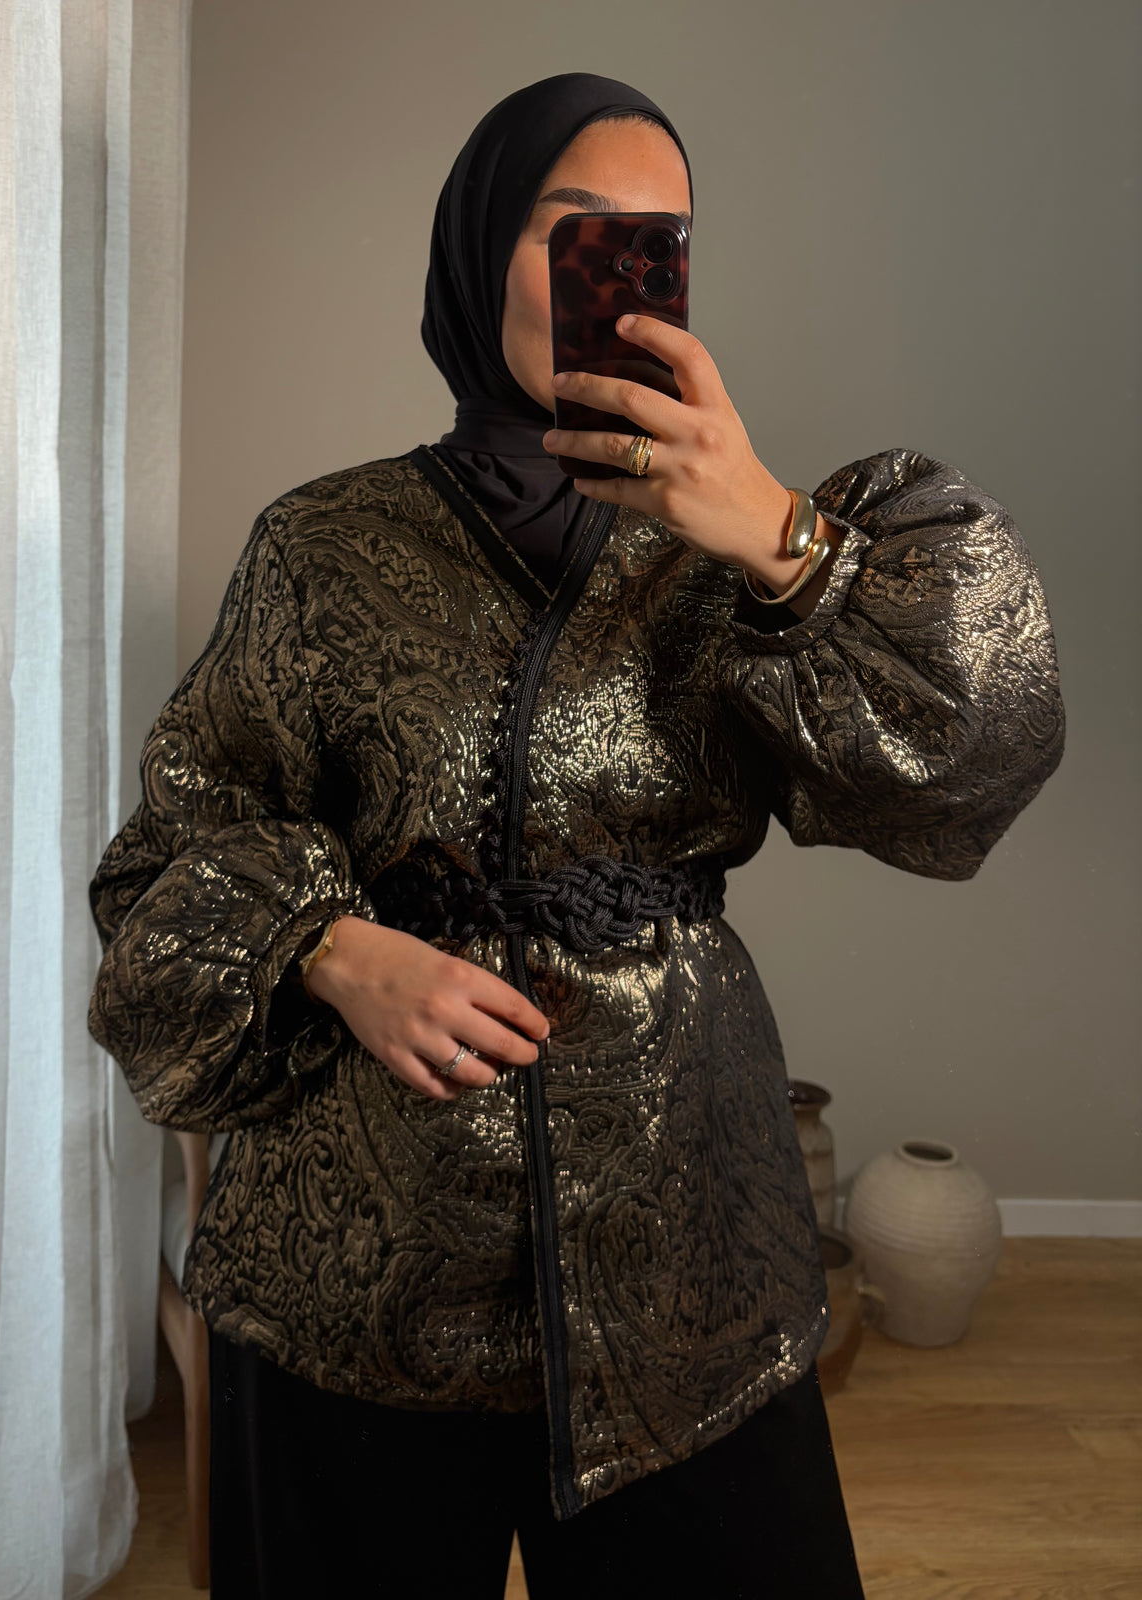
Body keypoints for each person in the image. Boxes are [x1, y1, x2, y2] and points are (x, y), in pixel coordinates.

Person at [87, 72, 1066, 1598]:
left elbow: (979, 756)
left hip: (681, 1223)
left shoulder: (751, 540)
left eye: (662, 241)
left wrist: (780, 539)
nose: (624, 270)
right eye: (578, 230)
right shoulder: (322, 544)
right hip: (360, 1242)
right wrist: (333, 950)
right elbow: (166, 856)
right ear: (483, 252)